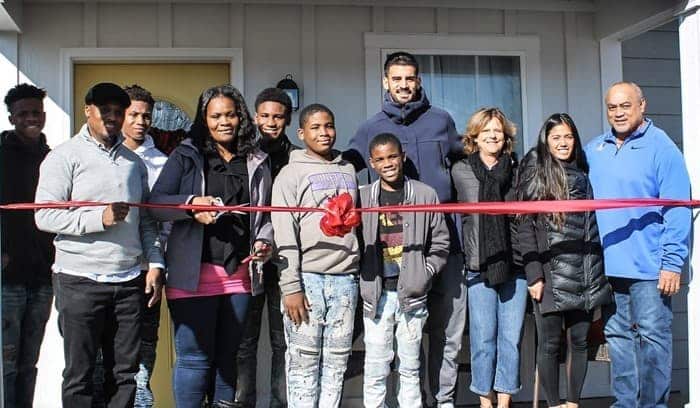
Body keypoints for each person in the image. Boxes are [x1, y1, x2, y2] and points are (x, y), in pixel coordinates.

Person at [346, 51, 466, 408]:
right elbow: (345, 170)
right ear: (386, 81)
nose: (403, 84)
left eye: (409, 78)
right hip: (394, 255)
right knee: (398, 344)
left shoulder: (441, 121)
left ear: (419, 80)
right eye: (396, 78)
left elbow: (463, 169)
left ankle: (442, 401)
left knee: (446, 334)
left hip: (444, 245)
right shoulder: (370, 128)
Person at [34, 82, 164, 408]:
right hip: (79, 281)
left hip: (128, 280)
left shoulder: (134, 163)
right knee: (80, 374)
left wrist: (155, 262)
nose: (112, 117)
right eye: (105, 110)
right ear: (88, 111)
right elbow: (44, 217)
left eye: (118, 112)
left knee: (125, 374)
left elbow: (145, 220)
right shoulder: (63, 156)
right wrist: (98, 219)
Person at [148, 84, 272, 408]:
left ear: (241, 116)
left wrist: (264, 241)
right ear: (204, 119)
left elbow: (267, 214)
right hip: (193, 273)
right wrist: (191, 204)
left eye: (230, 114)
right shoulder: (187, 154)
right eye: (215, 116)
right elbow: (155, 204)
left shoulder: (257, 159)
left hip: (239, 272)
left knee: (228, 357)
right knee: (195, 359)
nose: (224, 122)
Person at [585, 82, 690, 407]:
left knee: (653, 338)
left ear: (642, 106)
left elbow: (678, 208)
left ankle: (653, 405)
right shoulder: (594, 148)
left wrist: (672, 263)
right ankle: (625, 403)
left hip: (649, 268)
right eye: (612, 107)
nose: (617, 113)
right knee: (617, 338)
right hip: (608, 267)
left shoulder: (662, 148)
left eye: (625, 106)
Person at [515, 113, 613, 408]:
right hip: (550, 273)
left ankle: (572, 403)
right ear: (546, 140)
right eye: (556, 137)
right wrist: (534, 273)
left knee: (580, 341)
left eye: (568, 137)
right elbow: (524, 225)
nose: (563, 143)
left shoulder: (584, 170)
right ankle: (554, 404)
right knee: (549, 344)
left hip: (586, 270)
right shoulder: (536, 169)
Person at [272, 103, 360, 408]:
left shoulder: (347, 169)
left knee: (337, 365)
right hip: (307, 282)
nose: (324, 133)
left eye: (329, 125)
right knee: (302, 364)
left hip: (346, 281)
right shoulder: (289, 174)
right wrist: (291, 286)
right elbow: (284, 233)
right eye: (316, 127)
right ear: (301, 133)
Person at [359, 133, 450, 408]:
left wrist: (426, 272)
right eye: (381, 159)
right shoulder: (363, 197)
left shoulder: (424, 194)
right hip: (377, 295)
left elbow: (441, 241)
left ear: (403, 157)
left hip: (412, 293)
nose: (388, 163)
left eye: (393, 156)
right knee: (376, 366)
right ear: (372, 164)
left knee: (410, 365)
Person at [451, 107, 526, 408]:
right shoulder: (460, 171)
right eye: (486, 131)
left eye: (498, 130)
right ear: (475, 137)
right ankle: (485, 399)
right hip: (477, 266)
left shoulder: (518, 171)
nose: (493, 135)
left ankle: (505, 399)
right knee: (482, 340)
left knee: (511, 338)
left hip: (515, 265)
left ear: (506, 137)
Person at [235, 88, 299, 408]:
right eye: (265, 116)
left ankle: (280, 403)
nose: (271, 122)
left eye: (278, 116)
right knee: (245, 342)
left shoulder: (298, 157)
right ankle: (242, 402)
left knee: (282, 341)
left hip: (286, 259)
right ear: (255, 117)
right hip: (252, 258)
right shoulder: (242, 154)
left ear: (288, 119)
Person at [1, 83, 54, 408]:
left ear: (44, 116)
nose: (30, 118)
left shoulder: (53, 158)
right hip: (7, 276)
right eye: (23, 113)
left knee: (29, 361)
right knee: (6, 362)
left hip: (44, 276)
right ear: (12, 117)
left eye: (35, 112)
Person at [121, 84, 169, 408]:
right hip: (109, 271)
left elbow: (163, 219)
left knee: (143, 355)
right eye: (133, 114)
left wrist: (158, 261)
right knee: (107, 355)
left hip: (148, 270)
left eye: (146, 116)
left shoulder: (162, 162)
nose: (140, 121)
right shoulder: (103, 157)